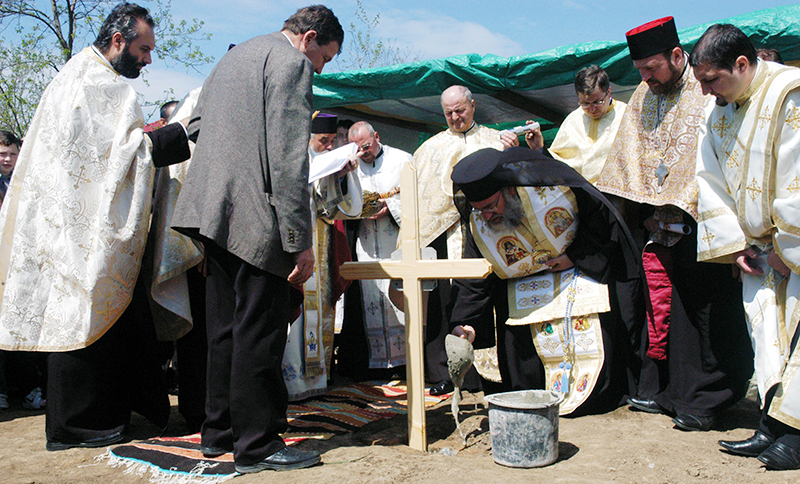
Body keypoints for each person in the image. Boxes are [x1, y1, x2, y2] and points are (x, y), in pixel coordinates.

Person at [0, 2, 191, 450]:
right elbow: (126, 159)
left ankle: (94, 418)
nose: (148, 60)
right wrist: (178, 135)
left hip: (67, 222)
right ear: (119, 41)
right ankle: (84, 424)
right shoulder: (102, 86)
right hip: (89, 229)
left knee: (85, 316)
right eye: (143, 49)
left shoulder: (70, 76)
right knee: (90, 318)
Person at [170, 5, 343, 474]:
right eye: (324, 57)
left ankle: (218, 433)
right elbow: (289, 158)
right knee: (260, 332)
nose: (320, 68)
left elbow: (198, 128)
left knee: (224, 327)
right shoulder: (290, 63)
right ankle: (259, 444)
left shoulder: (233, 57)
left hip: (212, 210)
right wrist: (297, 238)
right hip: (254, 216)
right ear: (308, 38)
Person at [595, 16, 753, 431]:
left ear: (677, 55)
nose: (646, 78)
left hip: (705, 222)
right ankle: (675, 394)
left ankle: (712, 397)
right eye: (641, 71)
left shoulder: (707, 91)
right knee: (670, 314)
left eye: (653, 68)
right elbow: (627, 158)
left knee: (709, 314)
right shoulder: (645, 97)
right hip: (659, 229)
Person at [449, 147, 640, 415]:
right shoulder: (479, 223)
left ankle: (596, 396)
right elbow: (473, 277)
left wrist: (575, 256)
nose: (488, 216)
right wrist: (463, 324)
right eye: (480, 210)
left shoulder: (553, 190)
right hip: (522, 290)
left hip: (575, 270)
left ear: (509, 190)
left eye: (492, 205)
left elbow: (602, 221)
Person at [690, 24, 800, 470]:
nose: (705, 91)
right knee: (767, 338)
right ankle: (771, 426)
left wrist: (789, 248)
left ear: (742, 64)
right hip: (759, 251)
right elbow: (709, 179)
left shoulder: (789, 94)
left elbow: (798, 174)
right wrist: (735, 242)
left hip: (792, 247)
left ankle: (795, 438)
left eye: (711, 80)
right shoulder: (719, 110)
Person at [412, 85, 519, 395]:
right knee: (449, 302)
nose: (455, 117)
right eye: (448, 113)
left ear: (472, 106)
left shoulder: (494, 140)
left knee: (488, 299)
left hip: (491, 231)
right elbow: (420, 195)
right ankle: (448, 371)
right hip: (448, 238)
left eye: (460, 110)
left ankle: (488, 374)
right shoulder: (430, 149)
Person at [282, 112, 358, 401]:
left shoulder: (330, 161)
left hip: (321, 249)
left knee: (320, 310)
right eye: (322, 141)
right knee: (297, 314)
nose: (328, 147)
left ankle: (317, 380)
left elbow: (338, 209)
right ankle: (292, 384)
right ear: (308, 139)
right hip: (296, 246)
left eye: (331, 141)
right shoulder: (293, 160)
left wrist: (341, 177)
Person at [337, 121, 411, 377]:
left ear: (377, 136)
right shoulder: (350, 166)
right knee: (369, 299)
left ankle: (403, 363)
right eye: (356, 148)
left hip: (396, 240)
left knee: (398, 298)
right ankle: (374, 365)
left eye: (366, 146)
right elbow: (342, 200)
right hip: (366, 242)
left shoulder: (403, 160)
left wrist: (390, 207)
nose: (362, 153)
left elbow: (416, 196)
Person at [525, 65, 627, 184]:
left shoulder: (627, 116)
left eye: (597, 102)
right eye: (584, 103)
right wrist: (539, 148)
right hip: (581, 195)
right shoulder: (573, 120)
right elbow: (559, 165)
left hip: (615, 194)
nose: (592, 109)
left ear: (608, 91)